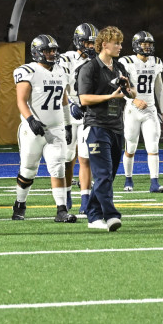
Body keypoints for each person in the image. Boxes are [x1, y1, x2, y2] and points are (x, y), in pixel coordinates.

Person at [12, 34, 77, 223]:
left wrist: (67, 123)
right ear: (36, 52)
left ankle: (61, 210)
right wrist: (31, 120)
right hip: (32, 129)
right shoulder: (28, 71)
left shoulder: (62, 70)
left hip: (55, 128)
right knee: (28, 170)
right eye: (47, 50)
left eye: (54, 50)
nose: (51, 54)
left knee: (58, 167)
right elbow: (21, 100)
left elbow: (64, 100)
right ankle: (20, 203)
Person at [75, 24, 130, 231]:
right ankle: (111, 215)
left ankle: (93, 215)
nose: (120, 47)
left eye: (120, 43)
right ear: (104, 44)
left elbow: (130, 94)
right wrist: (110, 96)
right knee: (103, 174)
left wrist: (127, 88)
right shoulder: (89, 68)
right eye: (116, 43)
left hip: (117, 126)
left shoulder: (119, 67)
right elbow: (84, 98)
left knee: (110, 175)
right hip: (97, 125)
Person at [118, 30, 163, 194]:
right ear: (136, 45)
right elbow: (121, 87)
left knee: (153, 146)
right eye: (144, 44)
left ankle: (154, 182)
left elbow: (159, 89)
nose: (147, 47)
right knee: (131, 146)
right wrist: (133, 100)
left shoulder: (156, 62)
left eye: (149, 44)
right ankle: (128, 179)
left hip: (150, 110)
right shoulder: (126, 62)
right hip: (132, 110)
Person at [62, 23, 96, 212]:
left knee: (85, 157)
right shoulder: (66, 59)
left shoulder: (98, 61)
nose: (90, 47)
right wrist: (72, 103)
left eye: (93, 43)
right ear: (78, 42)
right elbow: (60, 85)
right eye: (87, 43)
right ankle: (66, 194)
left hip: (87, 111)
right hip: (68, 110)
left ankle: (85, 199)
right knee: (67, 158)